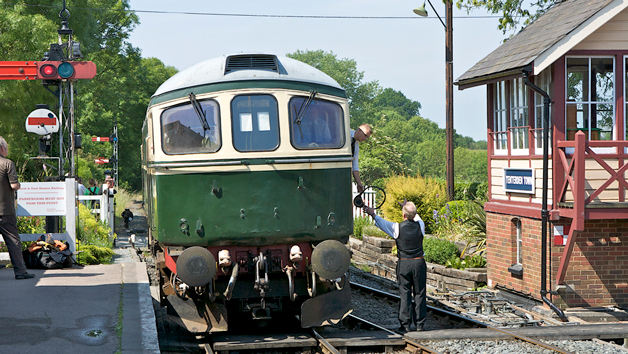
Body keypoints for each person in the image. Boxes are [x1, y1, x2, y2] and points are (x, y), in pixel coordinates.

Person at [363, 200, 426, 333]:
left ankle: (405, 325)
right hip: (419, 263)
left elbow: (382, 223)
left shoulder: (397, 228)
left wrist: (373, 214)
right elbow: (416, 215)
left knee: (405, 293)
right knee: (420, 293)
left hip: (404, 263)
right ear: (414, 215)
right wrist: (407, 208)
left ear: (403, 215)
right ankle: (420, 324)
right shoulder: (421, 225)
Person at [0, 136, 35, 279]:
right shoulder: (7, 164)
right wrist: (19, 185)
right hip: (5, 210)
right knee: (13, 241)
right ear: (2, 148)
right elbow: (14, 185)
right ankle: (20, 271)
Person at [351, 124, 372, 193]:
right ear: (360, 130)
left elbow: (355, 166)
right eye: (365, 135)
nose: (365, 138)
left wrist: (359, 184)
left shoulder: (356, 146)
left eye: (367, 137)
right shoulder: (344, 134)